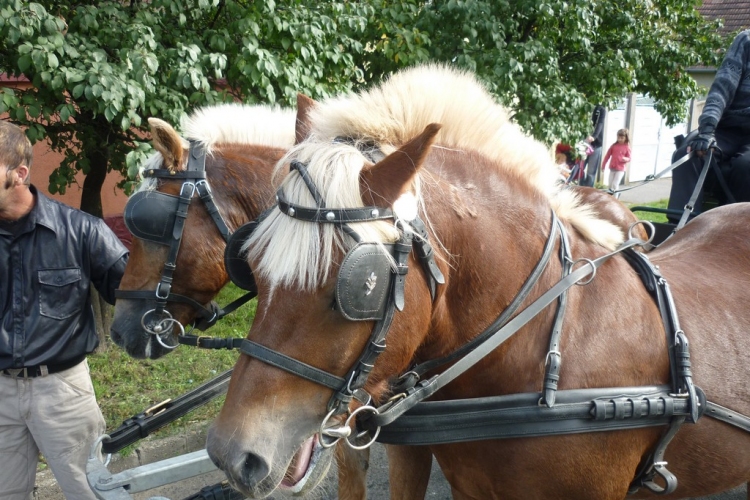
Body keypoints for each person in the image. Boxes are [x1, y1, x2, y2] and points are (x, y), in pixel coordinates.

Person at [0, 121, 128, 499]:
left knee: (92, 492)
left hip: (62, 392)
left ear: (19, 174)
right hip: (1, 392)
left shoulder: (81, 231)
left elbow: (134, 293)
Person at [668, 29, 750, 219]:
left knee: (746, 166)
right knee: (687, 154)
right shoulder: (745, 41)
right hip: (726, 128)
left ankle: (737, 228)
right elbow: (722, 88)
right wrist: (707, 130)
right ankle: (679, 226)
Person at [601, 128, 632, 198]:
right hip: (612, 168)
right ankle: (611, 197)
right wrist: (603, 165)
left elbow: (629, 158)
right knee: (610, 185)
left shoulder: (627, 147)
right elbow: (607, 156)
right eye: (618, 137)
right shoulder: (614, 146)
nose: (620, 139)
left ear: (625, 138)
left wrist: (625, 159)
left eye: (622, 138)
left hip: (620, 169)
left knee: (615, 184)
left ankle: (616, 198)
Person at [581, 105, 607, 186]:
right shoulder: (583, 106)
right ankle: (580, 189)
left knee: (591, 172)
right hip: (583, 144)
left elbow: (600, 123)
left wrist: (594, 136)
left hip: (595, 144)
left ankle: (588, 190)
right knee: (580, 169)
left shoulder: (601, 109)